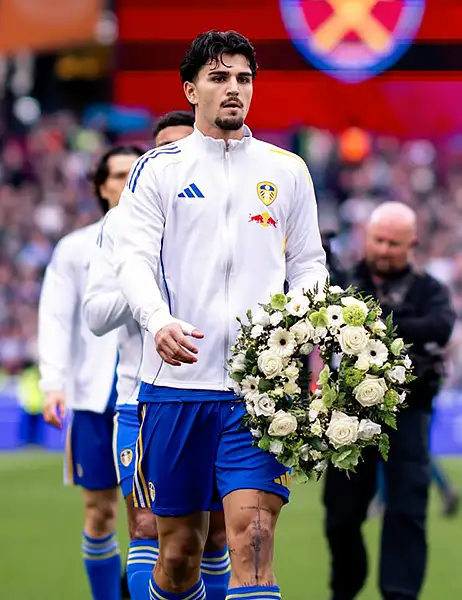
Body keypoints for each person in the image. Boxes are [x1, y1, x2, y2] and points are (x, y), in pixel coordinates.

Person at [112, 30, 328, 600]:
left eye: (243, 78)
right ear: (191, 90)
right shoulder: (158, 169)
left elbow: (309, 263)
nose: (234, 88)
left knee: (253, 540)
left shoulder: (287, 169)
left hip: (260, 393)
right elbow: (132, 260)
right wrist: (157, 320)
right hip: (175, 386)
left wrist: (300, 320)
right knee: (179, 554)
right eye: (219, 77)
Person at [83, 111, 231, 600]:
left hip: (218, 397)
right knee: (147, 526)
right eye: (166, 149)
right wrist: (147, 296)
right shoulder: (122, 222)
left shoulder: (226, 214)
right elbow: (96, 315)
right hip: (141, 398)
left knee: (214, 536)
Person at [323, 201, 456, 600]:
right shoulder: (342, 279)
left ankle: (400, 595)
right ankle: (346, 585)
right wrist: (402, 326)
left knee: (406, 511)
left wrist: (371, 322)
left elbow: (440, 326)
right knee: (340, 515)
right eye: (378, 240)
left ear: (412, 244)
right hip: (349, 415)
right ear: (366, 236)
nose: (383, 249)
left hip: (410, 412)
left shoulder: (430, 289)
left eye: (393, 243)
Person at [38, 144, 143, 600]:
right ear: (101, 187)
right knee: (100, 514)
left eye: (134, 173)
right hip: (95, 398)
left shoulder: (169, 238)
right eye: (117, 175)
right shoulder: (76, 248)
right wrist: (52, 383)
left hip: (152, 396)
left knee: (152, 518)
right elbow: (56, 318)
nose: (127, 183)